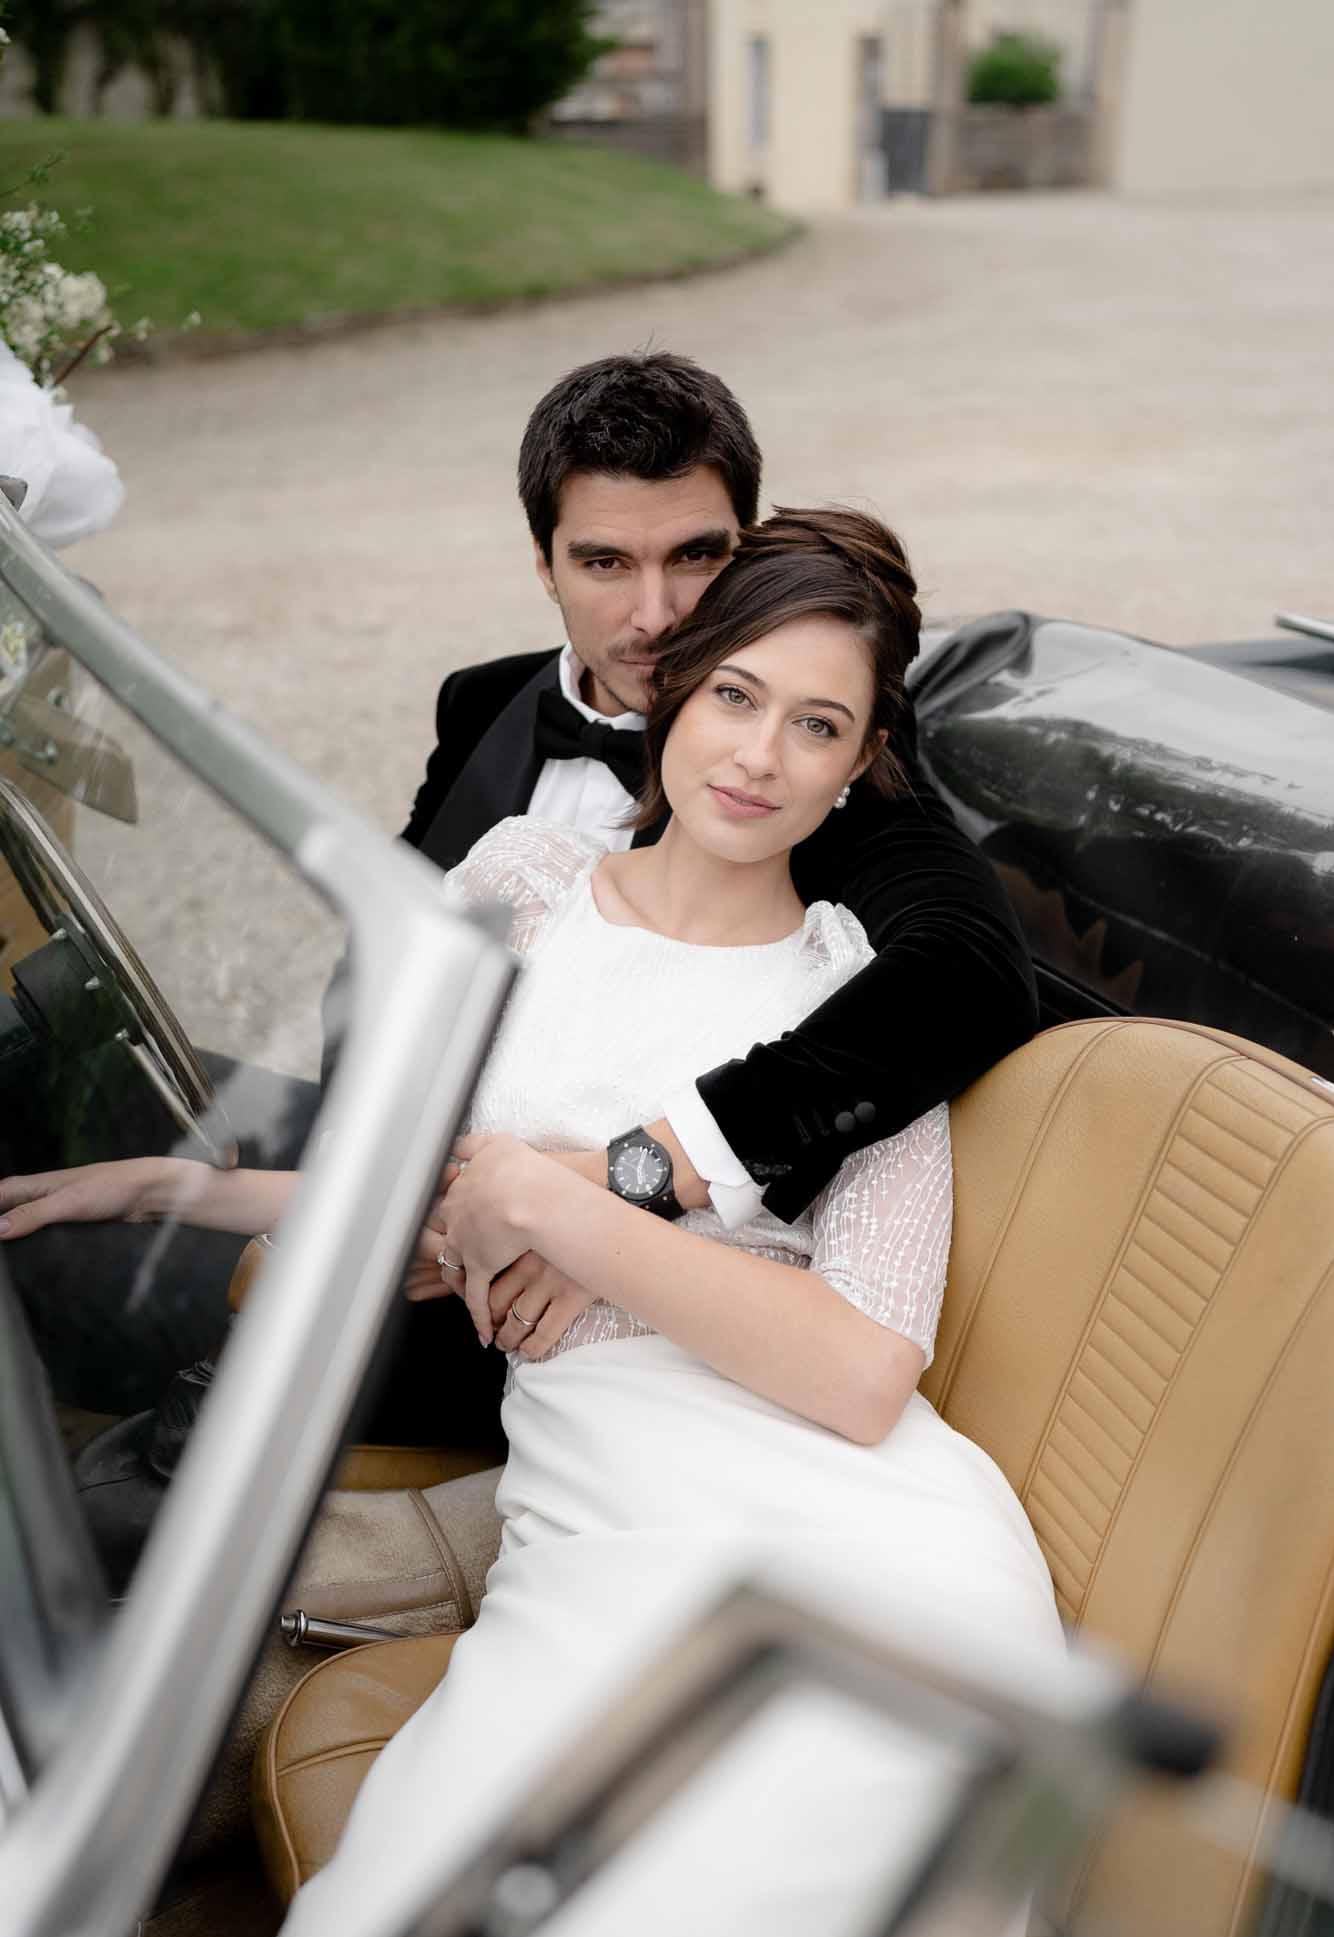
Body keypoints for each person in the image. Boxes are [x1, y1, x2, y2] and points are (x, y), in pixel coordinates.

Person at [3, 511, 1068, 1937]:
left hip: (864, 1540)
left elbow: (857, 1371)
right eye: (736, 697)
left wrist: (574, 1218)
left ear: (859, 767)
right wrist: (181, 1182)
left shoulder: (854, 985)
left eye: (817, 725)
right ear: (675, 696)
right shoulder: (523, 880)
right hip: (589, 1516)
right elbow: (440, 1201)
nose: (761, 755)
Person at [2, 349, 1036, 1456]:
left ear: (746, 548)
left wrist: (617, 1190)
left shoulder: (819, 771)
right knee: (50, 1098)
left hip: (552, 1322)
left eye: (696, 556)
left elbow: (968, 978)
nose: (654, 614)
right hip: (412, 1164)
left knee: (59, 1299)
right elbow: (391, 950)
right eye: (603, 561)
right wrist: (340, 1175)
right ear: (543, 564)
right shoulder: (486, 705)